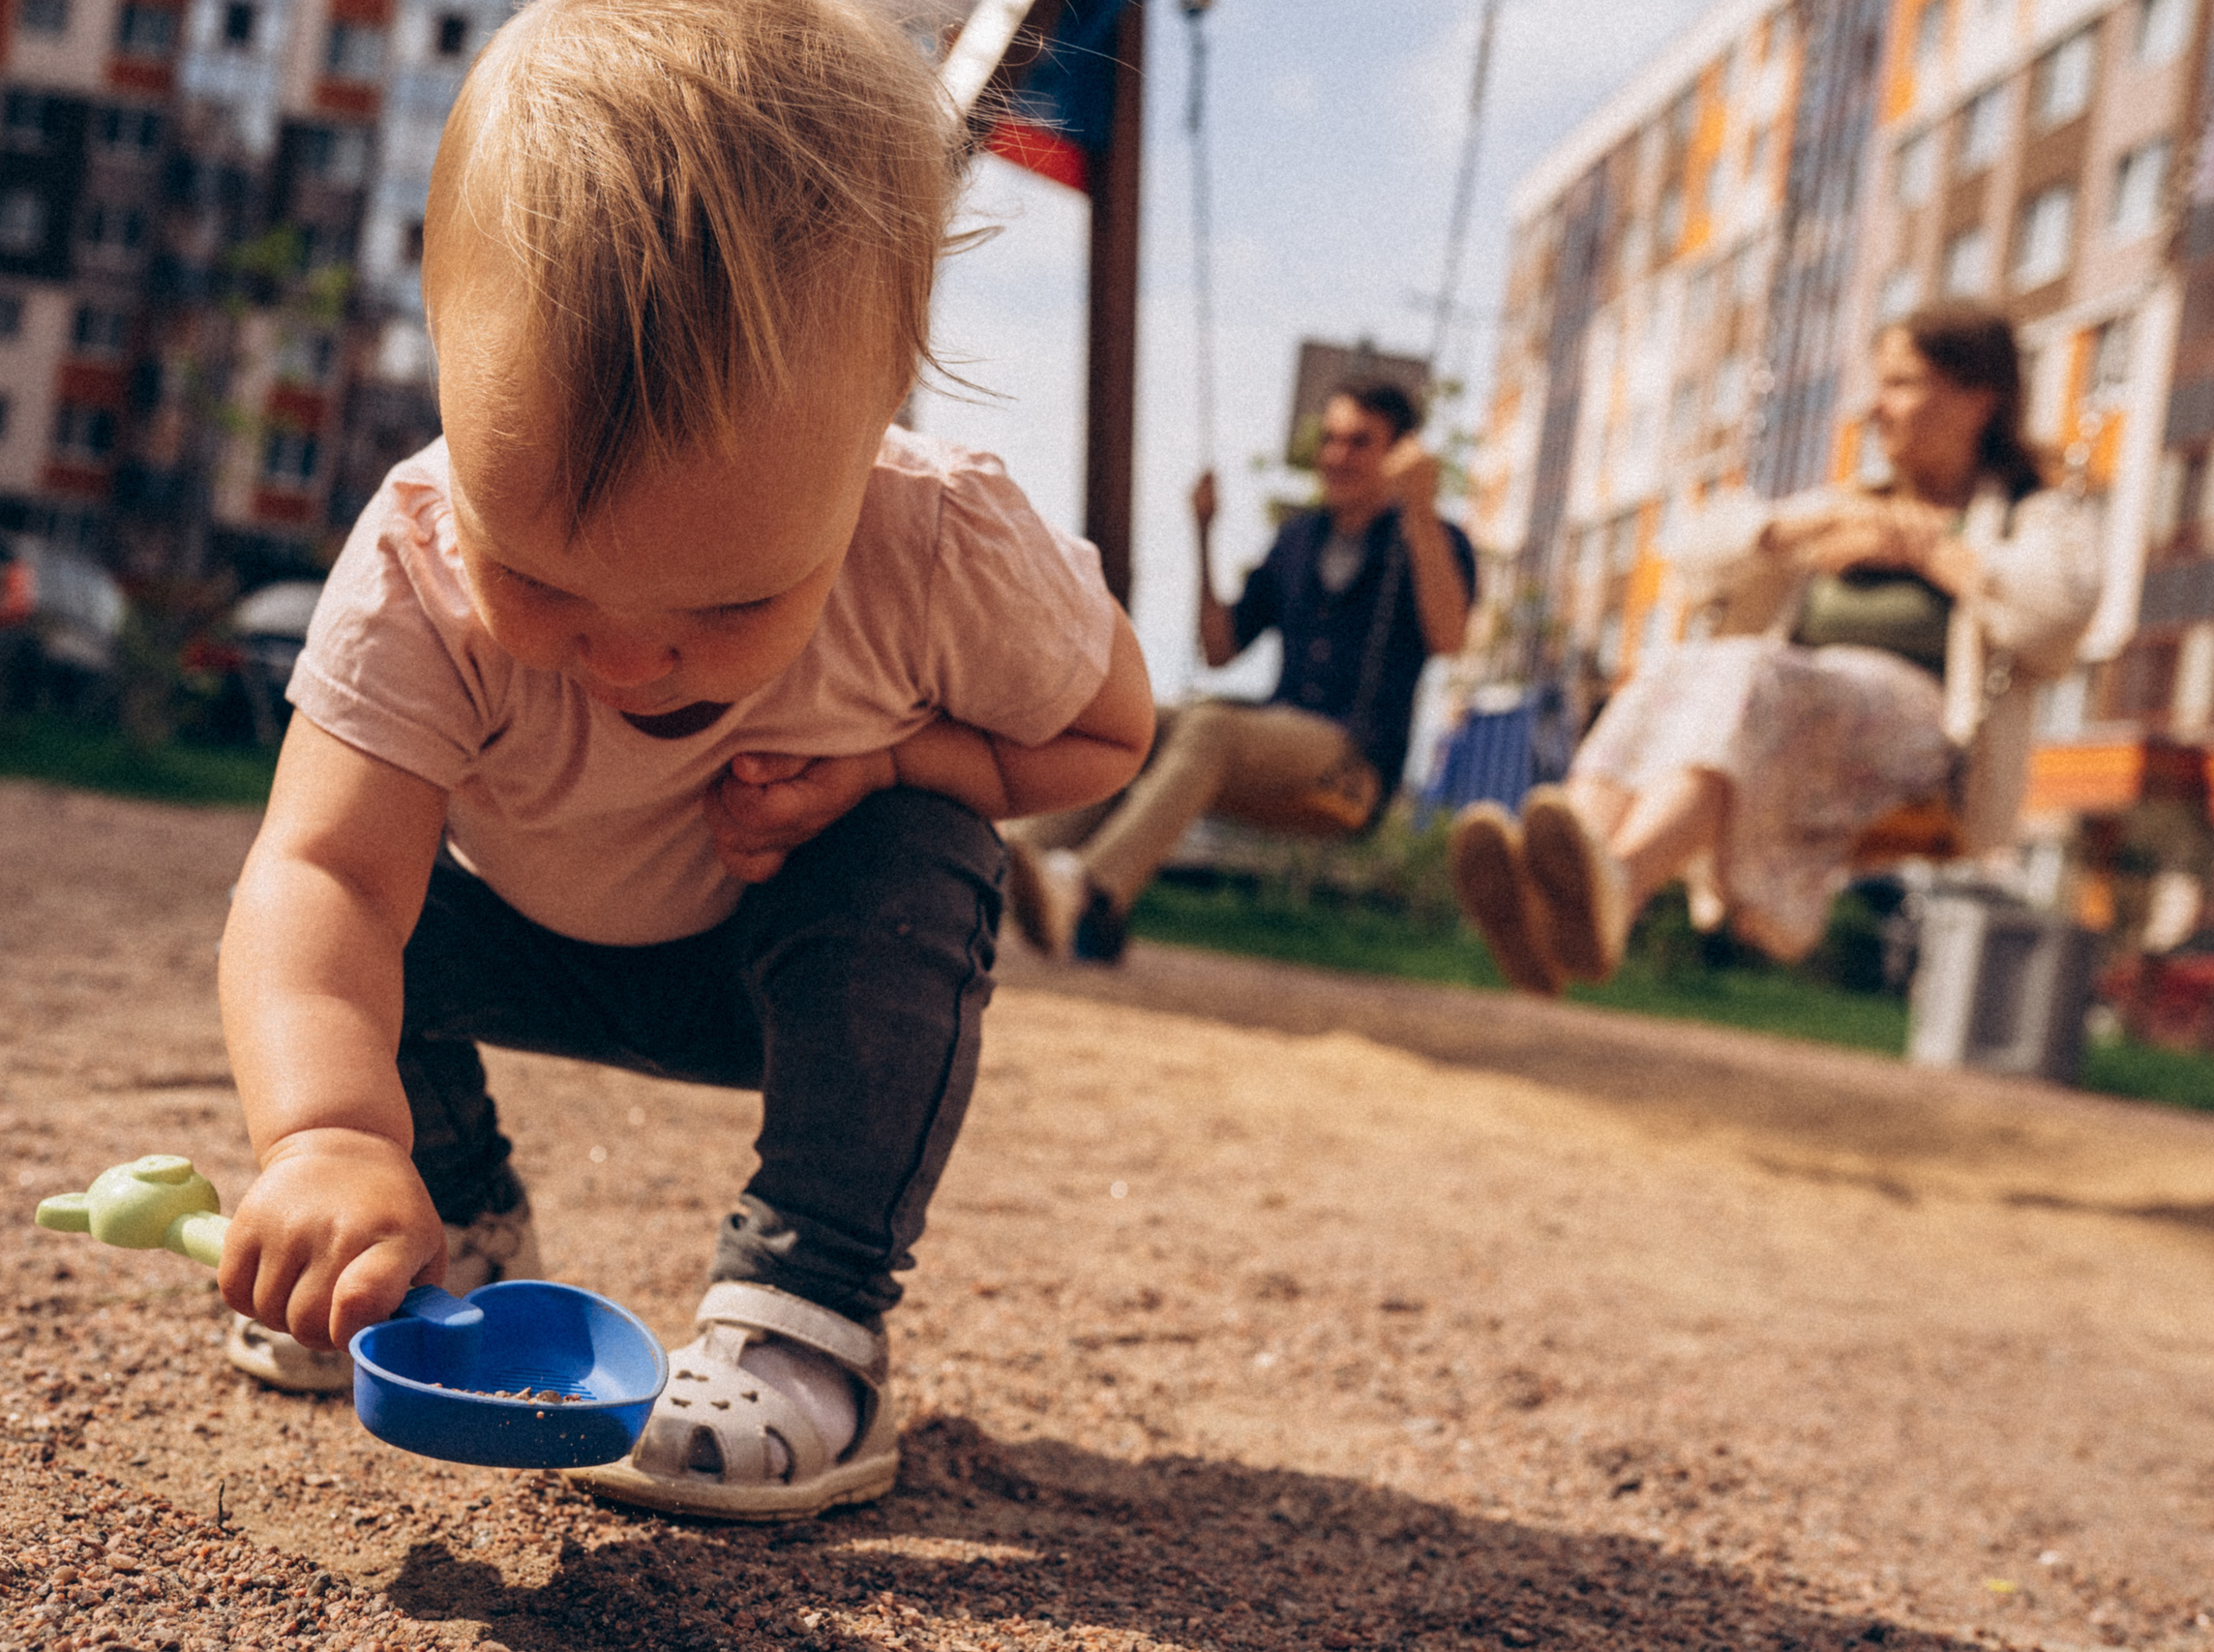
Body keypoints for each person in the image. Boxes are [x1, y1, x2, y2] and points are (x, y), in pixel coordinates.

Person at [210, 0, 1155, 1523]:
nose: (634, 657)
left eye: (729, 605)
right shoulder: (416, 552)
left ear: (872, 429)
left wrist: (899, 760)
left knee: (926, 853)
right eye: (547, 581)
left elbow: (1112, 735)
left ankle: (806, 1318)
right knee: (355, 907)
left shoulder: (945, 544)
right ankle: (442, 1230)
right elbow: (319, 873)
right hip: (518, 937)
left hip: (784, 975)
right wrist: (326, 1134)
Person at [1451, 302, 2101, 994]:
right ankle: (1560, 890)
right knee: (1687, 667)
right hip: (1787, 711)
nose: (1873, 407)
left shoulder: (2031, 515)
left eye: (1901, 383)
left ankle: (1616, 884)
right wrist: (1798, 529)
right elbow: (1688, 560)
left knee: (1753, 675)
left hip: (1919, 742)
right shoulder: (1848, 501)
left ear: (1978, 400)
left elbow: (2058, 615)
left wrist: (1936, 553)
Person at [1003, 380, 1476, 960]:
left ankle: (1086, 888)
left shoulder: (1435, 539)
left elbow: (1450, 638)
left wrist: (1421, 511)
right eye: (1329, 439)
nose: (1335, 456)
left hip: (1353, 763)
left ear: (1401, 452)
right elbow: (1220, 649)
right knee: (1137, 719)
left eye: (1359, 442)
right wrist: (1204, 532)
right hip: (1272, 737)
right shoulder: (1299, 539)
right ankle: (1010, 863)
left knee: (1211, 726)